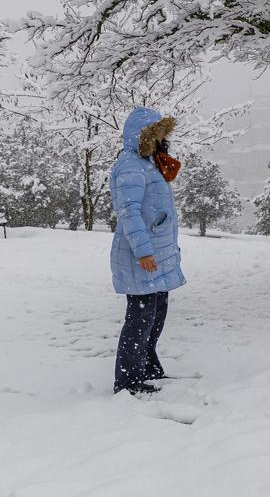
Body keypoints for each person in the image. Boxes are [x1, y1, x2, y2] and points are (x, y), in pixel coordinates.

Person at [110, 107, 185, 395]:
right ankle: (128, 380)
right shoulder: (130, 166)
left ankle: (148, 366)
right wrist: (143, 252)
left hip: (158, 253)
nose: (164, 139)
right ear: (145, 136)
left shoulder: (149, 163)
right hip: (140, 256)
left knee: (156, 313)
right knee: (140, 318)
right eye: (158, 134)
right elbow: (129, 213)